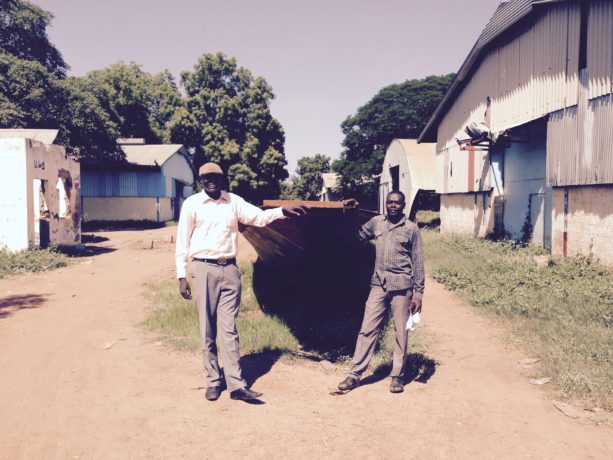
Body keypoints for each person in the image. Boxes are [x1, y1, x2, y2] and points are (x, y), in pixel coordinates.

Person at [175, 162, 307, 402]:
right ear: (200, 180)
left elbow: (258, 217)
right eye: (205, 177)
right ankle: (214, 381)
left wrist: (283, 211)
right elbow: (182, 241)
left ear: (222, 178)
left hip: (230, 270)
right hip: (203, 268)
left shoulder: (233, 201)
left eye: (215, 176)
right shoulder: (192, 204)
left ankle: (236, 385)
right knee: (207, 328)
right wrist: (181, 275)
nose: (210, 181)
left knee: (229, 329)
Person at [337, 191, 425, 394]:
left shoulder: (411, 229)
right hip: (378, 284)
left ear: (403, 205)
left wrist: (418, 294)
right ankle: (354, 374)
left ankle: (397, 376)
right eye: (390, 202)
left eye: (397, 203)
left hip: (402, 286)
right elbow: (356, 237)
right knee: (367, 329)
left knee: (400, 333)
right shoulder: (377, 222)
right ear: (386, 203)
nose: (393, 205)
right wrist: (350, 213)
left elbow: (418, 262)